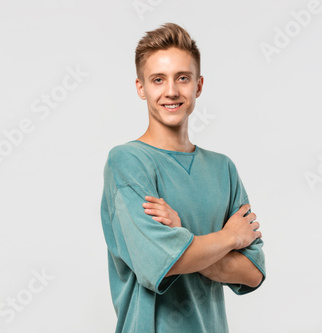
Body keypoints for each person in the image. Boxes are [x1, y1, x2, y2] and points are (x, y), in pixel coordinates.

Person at [100, 22, 266, 333]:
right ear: (141, 87)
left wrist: (182, 238)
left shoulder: (223, 169)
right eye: (158, 79)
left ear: (198, 86)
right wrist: (230, 238)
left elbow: (253, 273)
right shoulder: (127, 162)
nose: (172, 91)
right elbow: (162, 265)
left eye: (182, 78)